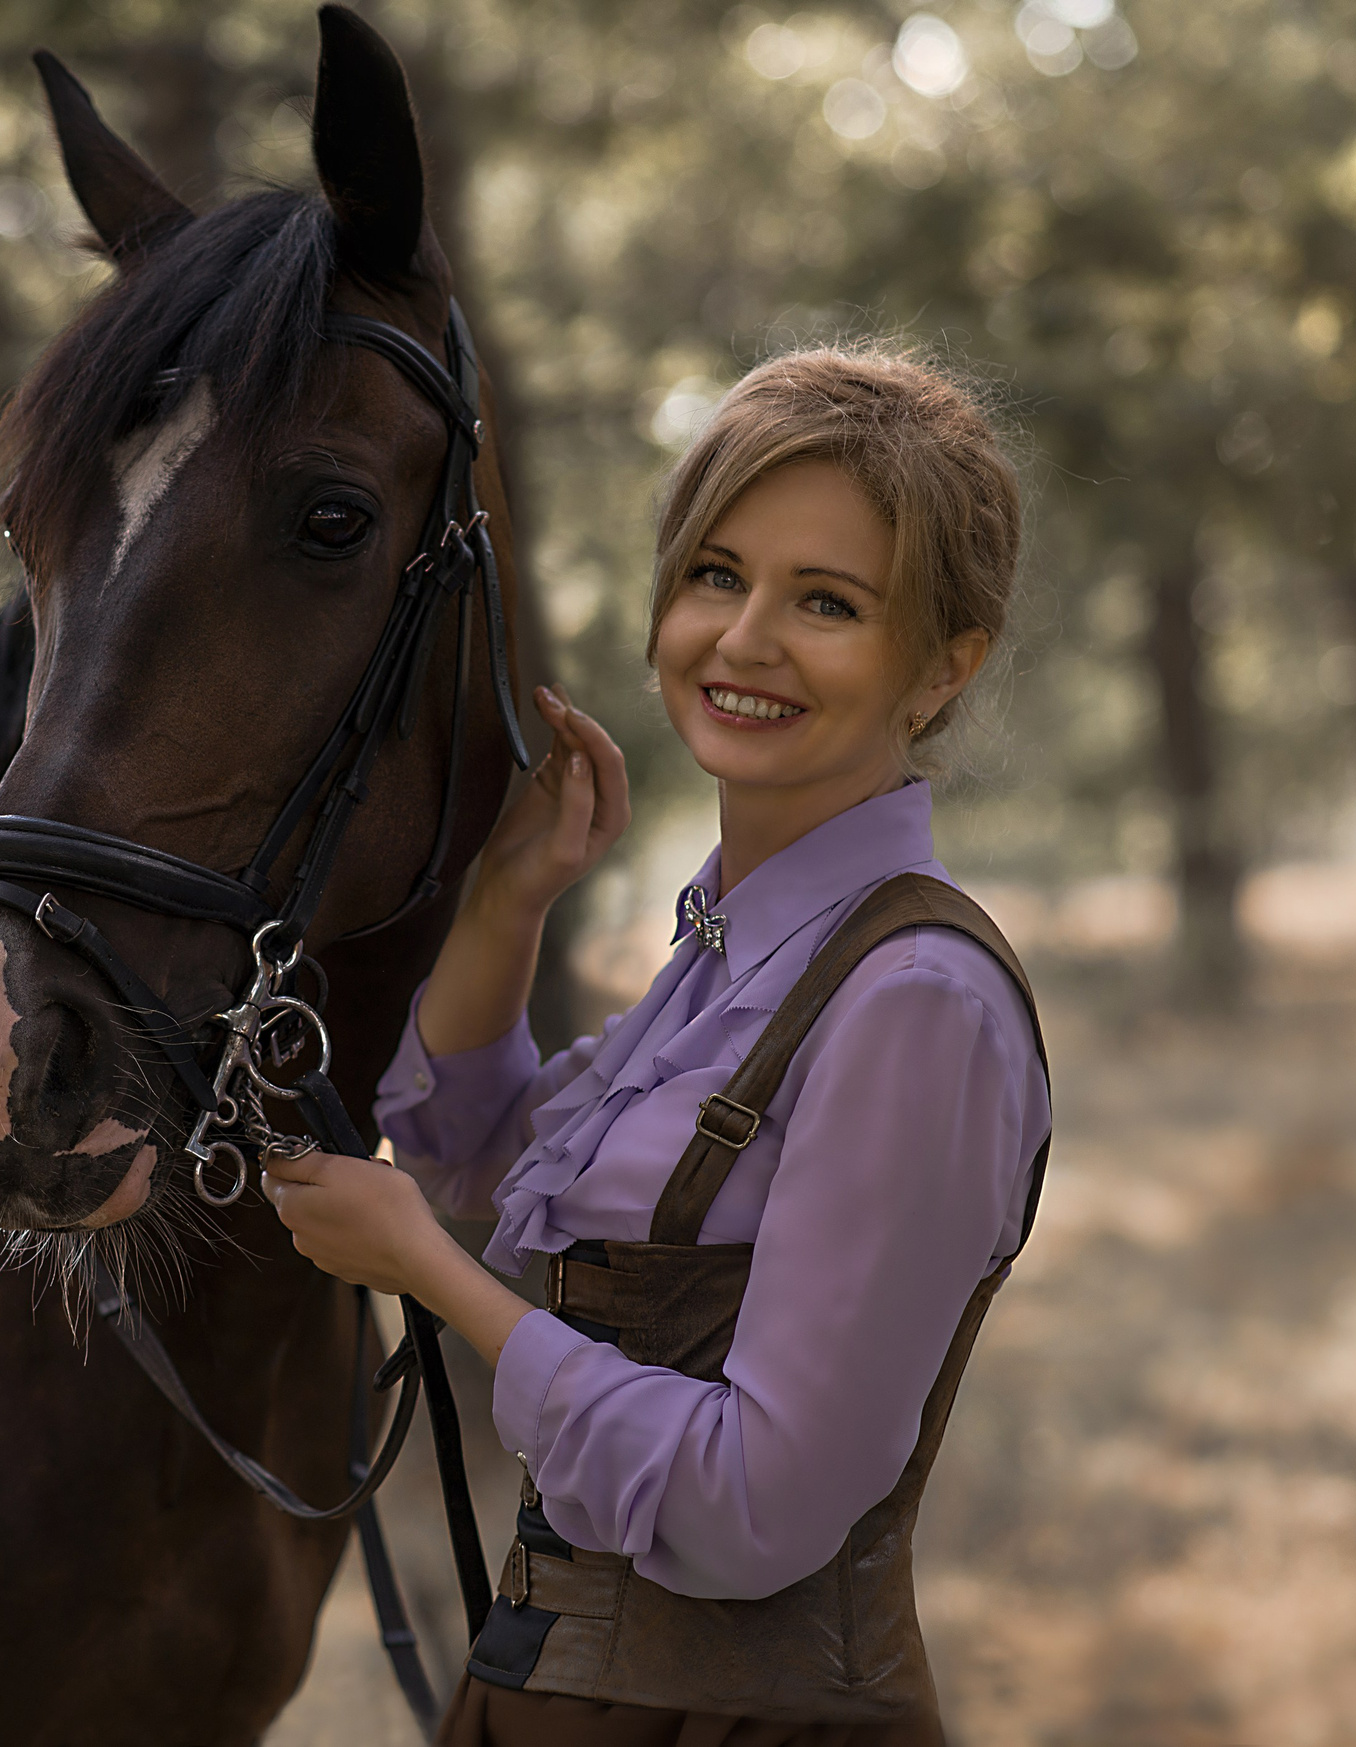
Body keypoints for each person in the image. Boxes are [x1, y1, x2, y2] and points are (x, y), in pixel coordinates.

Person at [264, 345, 1053, 1746]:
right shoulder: (730, 948)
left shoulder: (911, 1002)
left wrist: (429, 1278)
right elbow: (479, 1168)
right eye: (716, 575)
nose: (746, 641)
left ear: (941, 668)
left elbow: (754, 1509)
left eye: (828, 603)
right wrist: (508, 904)